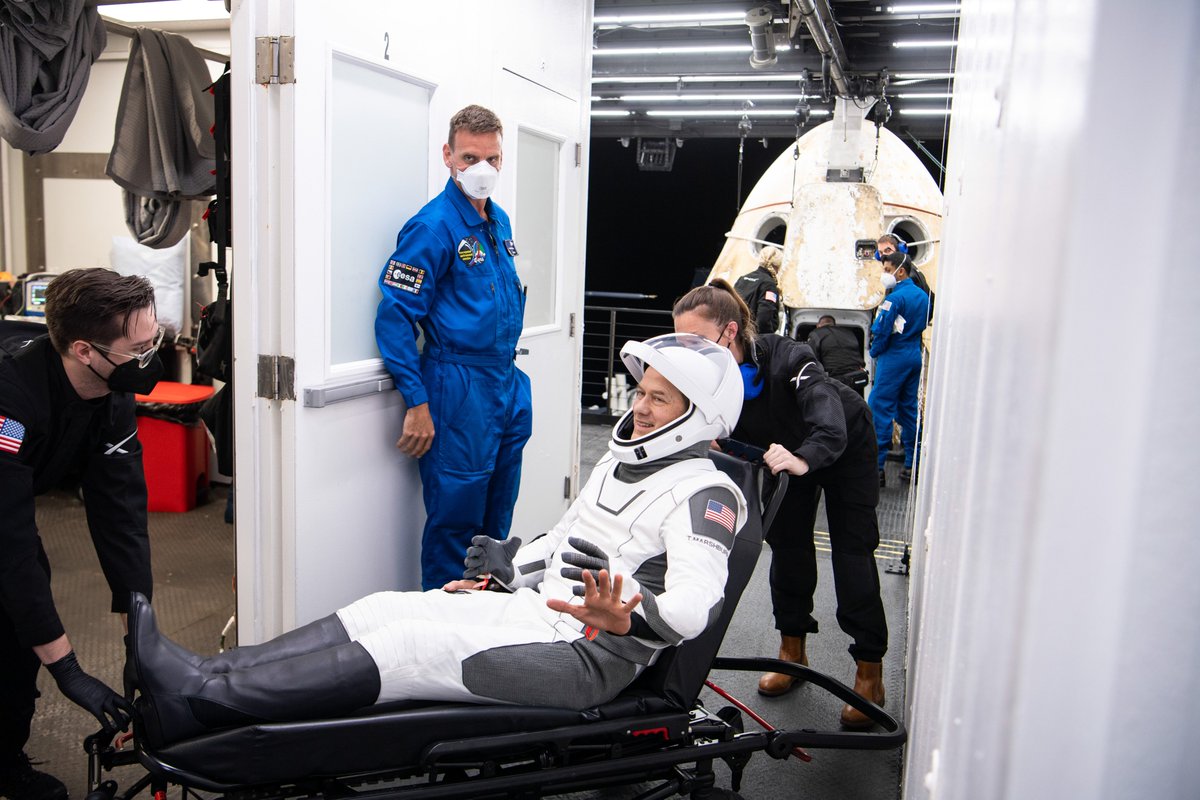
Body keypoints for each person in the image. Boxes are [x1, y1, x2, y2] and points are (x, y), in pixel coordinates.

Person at [128, 334, 748, 747]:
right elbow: (563, 539)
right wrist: (513, 563)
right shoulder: (620, 462)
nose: (640, 408)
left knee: (409, 646)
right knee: (384, 607)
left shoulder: (709, 494)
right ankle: (207, 672)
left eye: (658, 399)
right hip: (537, 613)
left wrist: (627, 609)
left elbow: (695, 607)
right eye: (640, 392)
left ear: (700, 415)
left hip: (589, 657)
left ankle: (202, 702)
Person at [673, 281, 887, 729]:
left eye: (696, 342)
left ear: (729, 332)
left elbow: (826, 413)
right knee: (787, 547)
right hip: (782, 458)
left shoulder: (788, 356)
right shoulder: (708, 382)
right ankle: (792, 650)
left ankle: (869, 670)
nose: (688, 353)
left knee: (852, 552)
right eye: (681, 343)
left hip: (841, 443)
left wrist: (804, 456)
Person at [0, 269, 163, 800]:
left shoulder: (111, 392)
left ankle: (4, 763)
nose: (150, 358)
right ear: (84, 350)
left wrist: (138, 640)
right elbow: (11, 542)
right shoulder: (11, 396)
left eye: (153, 340)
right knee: (18, 603)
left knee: (21, 637)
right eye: (137, 347)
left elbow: (121, 515)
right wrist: (68, 668)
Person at [375, 105, 533, 590]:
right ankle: (444, 644)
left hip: (505, 383)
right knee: (456, 525)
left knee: (496, 526)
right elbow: (395, 316)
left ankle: (485, 628)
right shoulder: (433, 226)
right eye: (470, 157)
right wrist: (417, 401)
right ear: (448, 156)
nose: (482, 169)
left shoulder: (497, 222)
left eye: (492, 158)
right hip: (458, 389)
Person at [869, 250, 930, 486]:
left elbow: (882, 329)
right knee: (909, 410)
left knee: (880, 409)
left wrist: (875, 351)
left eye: (887, 269)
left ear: (900, 271)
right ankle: (911, 465)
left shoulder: (894, 299)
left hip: (893, 357)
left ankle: (877, 468)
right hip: (913, 354)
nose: (885, 274)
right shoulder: (923, 297)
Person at [806, 315, 868, 396]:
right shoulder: (849, 333)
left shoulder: (815, 334)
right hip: (856, 377)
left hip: (834, 380)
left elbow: (811, 358)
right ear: (834, 324)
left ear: (818, 326)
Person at [733, 245, 782, 334]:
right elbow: (764, 319)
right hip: (752, 338)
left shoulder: (742, 279)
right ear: (777, 265)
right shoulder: (769, 284)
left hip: (736, 333)